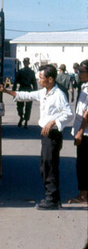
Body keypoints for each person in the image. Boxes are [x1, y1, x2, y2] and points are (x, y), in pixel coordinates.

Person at [0, 64, 73, 210]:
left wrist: (53, 123)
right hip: (45, 135)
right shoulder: (45, 92)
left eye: (41, 78)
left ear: (50, 79)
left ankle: (52, 199)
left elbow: (68, 114)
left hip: (53, 135)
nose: (39, 81)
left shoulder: (58, 95)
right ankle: (53, 198)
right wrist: (6, 91)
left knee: (49, 166)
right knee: (45, 166)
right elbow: (27, 95)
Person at [68, 59, 88, 204]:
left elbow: (87, 113)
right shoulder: (84, 86)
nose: (79, 73)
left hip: (86, 133)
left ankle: (83, 195)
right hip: (84, 131)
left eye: (81, 71)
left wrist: (80, 132)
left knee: (83, 165)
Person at [13, 57, 38, 128]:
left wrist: (13, 91)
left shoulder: (20, 72)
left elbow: (15, 82)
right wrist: (35, 93)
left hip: (22, 89)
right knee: (28, 107)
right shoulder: (32, 72)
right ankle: (26, 121)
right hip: (29, 89)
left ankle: (21, 116)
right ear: (28, 63)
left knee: (19, 105)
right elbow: (34, 84)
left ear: (23, 63)